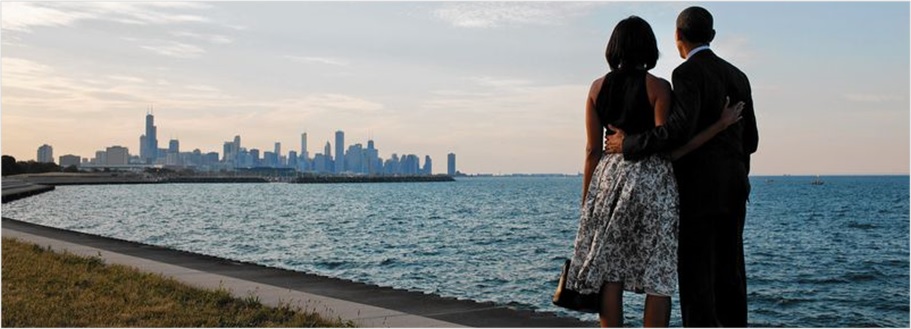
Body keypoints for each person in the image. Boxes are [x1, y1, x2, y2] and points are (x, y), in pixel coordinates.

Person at [565, 15, 743, 327]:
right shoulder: (658, 87)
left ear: (613, 48)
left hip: (607, 183)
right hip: (652, 184)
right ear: (650, 47)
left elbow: (592, 151)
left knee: (610, 271)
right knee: (658, 275)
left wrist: (586, 204)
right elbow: (670, 147)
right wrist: (719, 125)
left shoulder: (595, 89)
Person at [604, 6, 759, 327]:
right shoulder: (738, 76)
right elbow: (752, 140)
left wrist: (627, 143)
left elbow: (676, 132)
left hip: (696, 192)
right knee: (731, 275)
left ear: (677, 36)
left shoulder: (686, 74)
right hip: (734, 188)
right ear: (712, 36)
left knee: (696, 277)